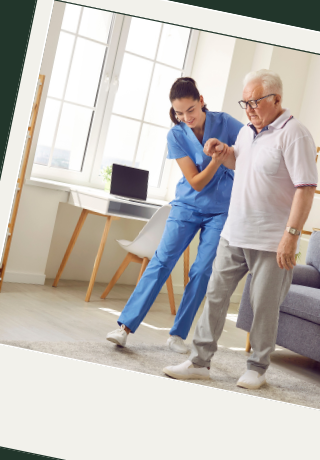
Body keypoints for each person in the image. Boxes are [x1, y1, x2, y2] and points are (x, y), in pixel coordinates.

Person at [163, 69, 317, 389]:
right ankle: (199, 361)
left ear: (277, 99)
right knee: (215, 296)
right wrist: (225, 152)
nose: (248, 108)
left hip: (271, 239)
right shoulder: (247, 132)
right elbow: (240, 162)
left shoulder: (295, 134)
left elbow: (306, 188)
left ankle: (257, 368)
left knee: (263, 306)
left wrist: (291, 236)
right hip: (234, 232)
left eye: (256, 101)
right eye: (244, 102)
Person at [106, 77, 242, 353]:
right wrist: (218, 160)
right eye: (179, 113)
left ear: (201, 101)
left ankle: (177, 335)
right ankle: (124, 328)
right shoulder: (176, 134)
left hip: (221, 211)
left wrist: (230, 155)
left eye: (190, 110)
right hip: (187, 206)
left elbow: (252, 151)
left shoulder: (227, 123)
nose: (186, 117)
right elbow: (196, 182)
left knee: (203, 271)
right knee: (162, 261)